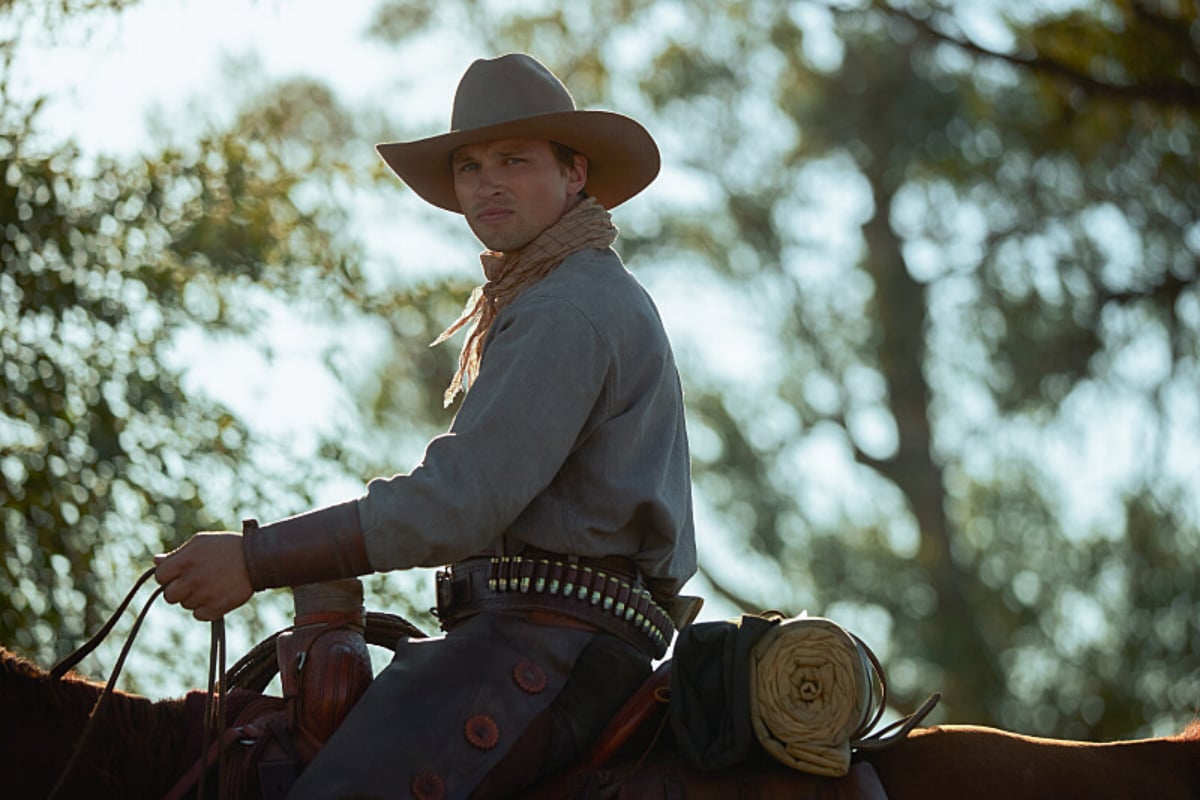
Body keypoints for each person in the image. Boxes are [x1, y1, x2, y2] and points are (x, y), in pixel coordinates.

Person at [154, 52, 696, 798]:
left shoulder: (567, 308)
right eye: (469, 166)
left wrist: (257, 559)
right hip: (532, 641)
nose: (487, 182)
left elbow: (458, 503)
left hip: (545, 654)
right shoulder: (560, 293)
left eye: (514, 158)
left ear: (575, 175)